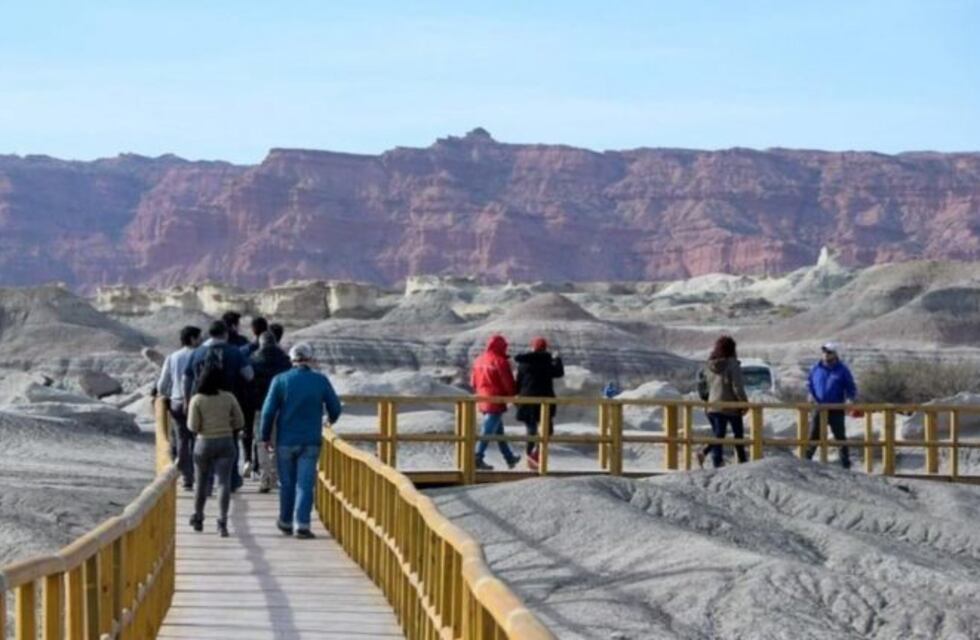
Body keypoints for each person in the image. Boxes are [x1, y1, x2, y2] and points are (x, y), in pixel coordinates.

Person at [260, 343, 342, 539]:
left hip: (285, 440)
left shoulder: (280, 380)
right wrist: (329, 419)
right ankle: (302, 525)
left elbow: (268, 411)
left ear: (292, 359)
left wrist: (265, 437)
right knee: (305, 484)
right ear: (310, 358)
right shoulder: (320, 380)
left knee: (286, 483)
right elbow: (336, 408)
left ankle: (285, 521)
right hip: (310, 440)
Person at [184, 320, 254, 491]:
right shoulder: (235, 353)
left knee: (201, 441)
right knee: (231, 442)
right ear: (226, 334)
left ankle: (205, 483)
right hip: (228, 403)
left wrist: (188, 401)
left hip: (201, 403)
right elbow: (249, 375)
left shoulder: (197, 353)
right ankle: (231, 481)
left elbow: (187, 378)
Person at [188, 365, 244, 537]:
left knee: (201, 483)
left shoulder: (197, 399)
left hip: (203, 443)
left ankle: (198, 517)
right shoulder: (229, 397)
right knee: (223, 483)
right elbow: (240, 422)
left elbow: (192, 426)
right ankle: (222, 522)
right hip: (226, 443)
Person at [157, 325, 202, 490]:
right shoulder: (200, 355)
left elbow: (162, 385)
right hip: (198, 403)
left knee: (183, 440)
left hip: (176, 403)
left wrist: (168, 394)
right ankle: (202, 476)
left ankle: (187, 477)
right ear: (192, 339)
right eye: (199, 337)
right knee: (199, 439)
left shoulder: (173, 357)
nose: (201, 340)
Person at [697, 335, 749, 469]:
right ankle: (743, 463)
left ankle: (716, 462)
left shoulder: (709, 365)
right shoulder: (732, 364)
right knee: (738, 436)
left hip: (712, 406)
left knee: (718, 435)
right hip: (731, 406)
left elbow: (704, 385)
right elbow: (737, 386)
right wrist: (744, 403)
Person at [250, 331, 292, 492]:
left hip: (261, 407)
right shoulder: (285, 361)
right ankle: (275, 476)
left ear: (261, 343)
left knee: (262, 442)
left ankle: (265, 478)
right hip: (281, 408)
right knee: (278, 443)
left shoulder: (253, 359)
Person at [471, 335, 521, 471]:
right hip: (495, 398)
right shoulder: (500, 361)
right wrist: (512, 395)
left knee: (498, 430)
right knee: (488, 429)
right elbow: (508, 382)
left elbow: (473, 382)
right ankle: (477, 456)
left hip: (482, 398)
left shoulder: (478, 360)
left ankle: (509, 458)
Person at [805, 342, 857, 469]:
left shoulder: (842, 370)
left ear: (835, 354)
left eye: (828, 352)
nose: (825, 355)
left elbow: (850, 387)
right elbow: (809, 384)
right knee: (813, 436)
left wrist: (850, 398)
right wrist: (810, 395)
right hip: (819, 407)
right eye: (824, 352)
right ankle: (805, 462)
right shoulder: (815, 368)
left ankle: (845, 465)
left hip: (836, 408)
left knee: (840, 437)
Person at [515, 337, 564, 469]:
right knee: (547, 429)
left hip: (526, 400)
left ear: (532, 347)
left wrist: (517, 397)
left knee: (531, 429)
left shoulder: (523, 362)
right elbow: (559, 373)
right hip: (545, 400)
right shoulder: (547, 362)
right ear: (545, 348)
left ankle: (530, 455)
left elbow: (518, 382)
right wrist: (557, 359)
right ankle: (536, 454)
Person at [240, 316, 269, 477]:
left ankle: (247, 460)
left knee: (247, 430)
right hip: (267, 398)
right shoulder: (275, 352)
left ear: (253, 330)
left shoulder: (245, 350)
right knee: (262, 432)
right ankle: (259, 464)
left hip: (248, 396)